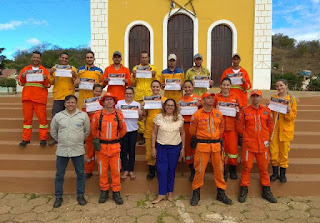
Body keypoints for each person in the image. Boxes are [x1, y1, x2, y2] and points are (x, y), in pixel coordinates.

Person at [190, 92, 232, 206]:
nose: (210, 100)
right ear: (202, 101)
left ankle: (221, 193)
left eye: (212, 98)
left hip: (216, 146)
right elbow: (192, 131)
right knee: (199, 170)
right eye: (207, 98)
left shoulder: (219, 114)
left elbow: (221, 128)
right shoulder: (197, 114)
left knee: (219, 170)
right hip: (202, 145)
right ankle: (196, 193)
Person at [50, 95, 90, 208]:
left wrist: (78, 140)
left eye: (73, 102)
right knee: (59, 175)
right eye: (68, 102)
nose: (70, 104)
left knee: (81, 174)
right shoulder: (58, 116)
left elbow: (87, 131)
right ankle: (58, 197)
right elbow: (53, 131)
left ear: (76, 103)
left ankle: (80, 195)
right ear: (65, 103)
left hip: (77, 150)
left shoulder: (83, 116)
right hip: (62, 150)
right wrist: (61, 140)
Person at [237, 90, 277, 203]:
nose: (255, 98)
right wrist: (247, 135)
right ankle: (244, 190)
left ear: (261, 98)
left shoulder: (266, 111)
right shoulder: (245, 110)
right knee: (246, 168)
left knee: (264, 169)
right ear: (251, 98)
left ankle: (266, 191)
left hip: (262, 146)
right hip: (249, 145)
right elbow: (239, 127)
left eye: (257, 96)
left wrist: (264, 136)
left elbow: (270, 125)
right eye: (253, 96)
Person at [91, 92, 127, 205]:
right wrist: (102, 140)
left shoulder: (119, 115)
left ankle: (116, 192)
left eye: (111, 99)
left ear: (114, 102)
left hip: (115, 148)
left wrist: (114, 139)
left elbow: (123, 130)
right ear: (103, 102)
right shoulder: (97, 115)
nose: (109, 101)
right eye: (107, 99)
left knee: (116, 171)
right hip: (101, 148)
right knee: (102, 171)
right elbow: (93, 130)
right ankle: (104, 191)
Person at [151, 99, 185, 204]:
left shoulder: (179, 118)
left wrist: (183, 148)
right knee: (161, 170)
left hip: (175, 148)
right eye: (168, 105)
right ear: (164, 106)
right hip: (161, 148)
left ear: (175, 107)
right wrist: (153, 147)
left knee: (171, 170)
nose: (170, 107)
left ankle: (170, 192)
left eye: (172, 105)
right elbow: (153, 133)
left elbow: (183, 133)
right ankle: (161, 193)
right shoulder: (158, 117)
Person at [18, 51, 50, 147]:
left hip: (40, 99)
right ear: (31, 58)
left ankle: (43, 138)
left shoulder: (44, 70)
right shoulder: (25, 69)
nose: (35, 59)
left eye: (37, 58)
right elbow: (21, 83)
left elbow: (48, 85)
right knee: (27, 120)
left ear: (40, 59)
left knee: (42, 120)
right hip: (27, 98)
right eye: (34, 57)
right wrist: (23, 77)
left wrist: (45, 78)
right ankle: (26, 139)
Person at [213, 77, 242, 181]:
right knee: (221, 150)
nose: (225, 87)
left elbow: (240, 111)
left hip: (232, 128)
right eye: (224, 85)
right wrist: (215, 110)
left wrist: (238, 111)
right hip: (220, 128)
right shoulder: (216, 97)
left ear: (230, 86)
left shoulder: (235, 96)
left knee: (232, 150)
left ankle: (233, 169)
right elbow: (212, 111)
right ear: (221, 86)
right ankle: (223, 170)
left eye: (227, 85)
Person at [269, 79, 297, 183]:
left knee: (284, 152)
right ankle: (275, 173)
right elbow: (270, 114)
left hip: (285, 130)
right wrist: (269, 107)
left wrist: (289, 111)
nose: (279, 88)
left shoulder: (292, 100)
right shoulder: (274, 98)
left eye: (281, 85)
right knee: (274, 151)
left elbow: (292, 117)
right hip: (274, 130)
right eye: (277, 86)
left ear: (286, 86)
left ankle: (283, 173)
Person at [48, 52, 78, 146]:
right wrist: (51, 73)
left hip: (69, 97)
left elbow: (76, 82)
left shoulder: (73, 69)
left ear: (68, 60)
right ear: (59, 58)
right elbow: (51, 82)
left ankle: (70, 138)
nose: (64, 60)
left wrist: (74, 75)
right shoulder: (54, 68)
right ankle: (54, 137)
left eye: (66, 58)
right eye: (63, 58)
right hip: (58, 96)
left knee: (70, 118)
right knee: (55, 118)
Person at [131, 51, 160, 145]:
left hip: (150, 96)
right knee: (140, 115)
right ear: (140, 59)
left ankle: (150, 133)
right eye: (142, 57)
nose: (144, 59)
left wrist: (155, 75)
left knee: (149, 115)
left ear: (148, 58)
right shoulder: (136, 68)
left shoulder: (153, 68)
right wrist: (134, 76)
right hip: (139, 95)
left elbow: (158, 81)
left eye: (145, 57)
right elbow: (132, 82)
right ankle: (141, 134)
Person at [141, 80, 167, 180]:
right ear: (151, 88)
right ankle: (151, 170)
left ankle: (160, 170)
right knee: (149, 150)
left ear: (160, 88)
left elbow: (169, 112)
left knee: (161, 149)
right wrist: (143, 108)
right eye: (154, 87)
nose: (155, 89)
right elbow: (144, 115)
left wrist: (164, 104)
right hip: (150, 127)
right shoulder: (147, 100)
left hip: (162, 128)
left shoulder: (164, 99)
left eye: (157, 87)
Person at [116, 87, 143, 179]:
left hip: (133, 130)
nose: (128, 95)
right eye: (127, 93)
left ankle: (131, 170)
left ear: (133, 94)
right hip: (122, 130)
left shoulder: (137, 104)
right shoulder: (119, 103)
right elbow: (115, 116)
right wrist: (118, 113)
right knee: (123, 150)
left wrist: (140, 114)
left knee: (132, 151)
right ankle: (125, 169)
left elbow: (140, 119)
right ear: (124, 94)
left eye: (130, 93)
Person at [178, 80, 201, 182]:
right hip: (185, 126)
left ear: (193, 87)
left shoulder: (198, 98)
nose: (187, 89)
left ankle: (199, 170)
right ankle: (192, 170)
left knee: (197, 148)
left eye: (189, 87)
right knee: (187, 147)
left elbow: (206, 108)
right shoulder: (180, 101)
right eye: (185, 87)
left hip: (197, 126)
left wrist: (200, 104)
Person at [82, 84, 103, 179]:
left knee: (101, 152)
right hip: (90, 130)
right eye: (96, 91)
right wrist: (85, 109)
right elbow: (82, 116)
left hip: (101, 130)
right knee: (90, 151)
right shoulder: (87, 102)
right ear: (93, 91)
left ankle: (101, 171)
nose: (97, 93)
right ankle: (88, 170)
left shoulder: (104, 102)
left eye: (99, 91)